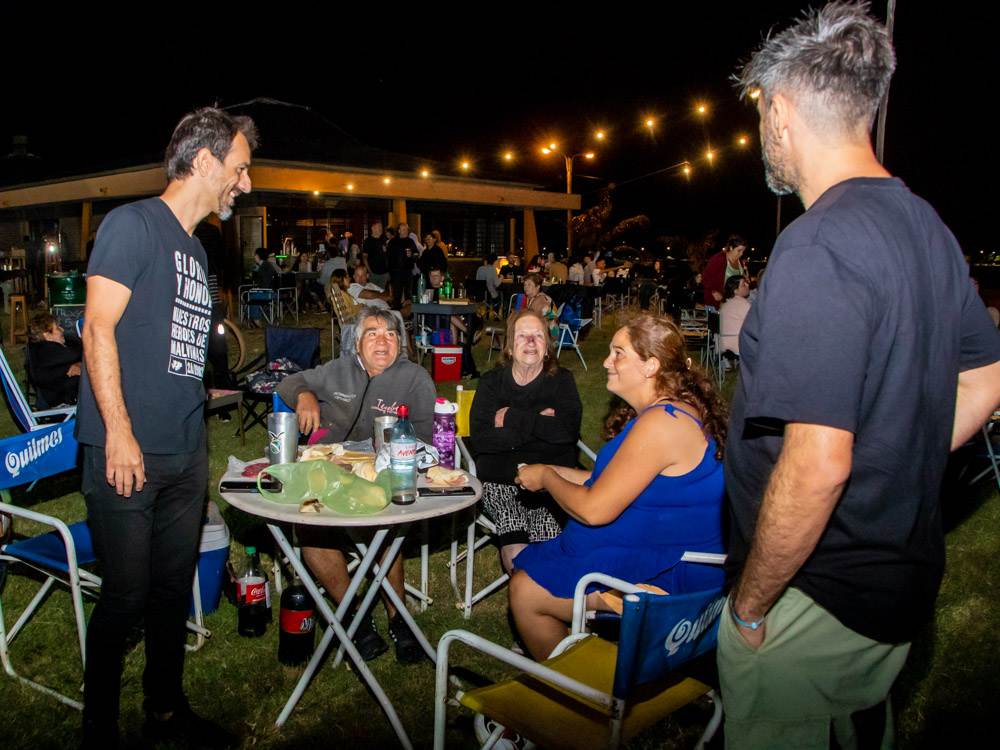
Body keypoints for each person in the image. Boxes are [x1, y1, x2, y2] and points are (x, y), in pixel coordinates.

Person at [720, 5, 1000, 748]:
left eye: (761, 113)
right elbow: (986, 379)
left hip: (813, 592)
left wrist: (750, 606)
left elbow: (817, 465)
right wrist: (894, 459)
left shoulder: (818, 245)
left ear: (782, 112)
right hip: (895, 586)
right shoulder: (928, 227)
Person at [76, 107, 256, 748]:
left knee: (172, 589)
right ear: (204, 161)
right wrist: (119, 433)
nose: (246, 183)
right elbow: (97, 329)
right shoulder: (133, 225)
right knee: (126, 597)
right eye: (240, 168)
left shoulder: (197, 249)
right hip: (127, 448)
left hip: (184, 449)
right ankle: (98, 728)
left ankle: (165, 710)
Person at [511, 314, 728, 659]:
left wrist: (548, 480)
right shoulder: (667, 413)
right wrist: (550, 470)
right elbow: (613, 483)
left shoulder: (662, 424)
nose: (606, 361)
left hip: (673, 576)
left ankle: (576, 688)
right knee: (534, 568)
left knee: (525, 592)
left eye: (618, 353)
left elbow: (594, 509)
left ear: (650, 366)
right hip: (662, 551)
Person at [276, 307, 435, 663]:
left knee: (383, 527)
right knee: (310, 530)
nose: (383, 341)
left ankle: (398, 618)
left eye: (391, 334)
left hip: (383, 475)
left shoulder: (415, 378)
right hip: (328, 469)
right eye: (372, 334)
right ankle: (354, 617)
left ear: (400, 343)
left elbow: (426, 441)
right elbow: (288, 382)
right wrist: (304, 395)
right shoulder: (338, 370)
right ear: (357, 343)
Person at [467, 310, 582, 573]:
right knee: (518, 553)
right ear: (509, 346)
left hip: (550, 483)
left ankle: (540, 595)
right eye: (522, 335)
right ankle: (528, 593)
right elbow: (481, 440)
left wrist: (512, 417)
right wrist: (540, 425)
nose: (530, 341)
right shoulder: (492, 383)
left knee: (551, 555)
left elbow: (567, 434)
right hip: (501, 482)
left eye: (538, 335)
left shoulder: (562, 381)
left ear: (547, 347)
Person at [27, 312, 82, 407]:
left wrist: (79, 364)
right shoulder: (46, 351)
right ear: (47, 335)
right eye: (57, 328)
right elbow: (79, 353)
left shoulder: (42, 350)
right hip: (62, 402)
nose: (62, 330)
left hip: (61, 396)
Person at [702, 234, 747, 308]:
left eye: (743, 251)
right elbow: (705, 278)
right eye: (739, 250)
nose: (741, 254)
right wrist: (713, 291)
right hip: (717, 304)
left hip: (733, 304)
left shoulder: (740, 263)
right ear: (731, 247)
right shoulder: (718, 259)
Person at [387, 223, 419, 307]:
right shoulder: (393, 242)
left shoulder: (410, 241)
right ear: (399, 231)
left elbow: (416, 254)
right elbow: (388, 257)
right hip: (396, 272)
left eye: (407, 229)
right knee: (397, 295)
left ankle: (409, 313)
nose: (406, 231)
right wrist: (389, 272)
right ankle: (397, 312)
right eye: (404, 229)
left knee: (409, 295)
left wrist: (412, 255)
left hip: (408, 272)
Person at [718, 275, 751, 356]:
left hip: (723, 346)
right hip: (739, 346)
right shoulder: (743, 304)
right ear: (735, 290)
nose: (747, 285)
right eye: (744, 284)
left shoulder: (725, 305)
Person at [363, 220, 390, 290]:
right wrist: (369, 271)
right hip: (374, 273)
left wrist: (388, 271)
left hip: (384, 273)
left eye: (381, 227)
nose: (381, 229)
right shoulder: (368, 241)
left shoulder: (383, 240)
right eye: (379, 227)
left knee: (381, 292)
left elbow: (387, 256)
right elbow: (364, 257)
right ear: (373, 228)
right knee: (373, 293)